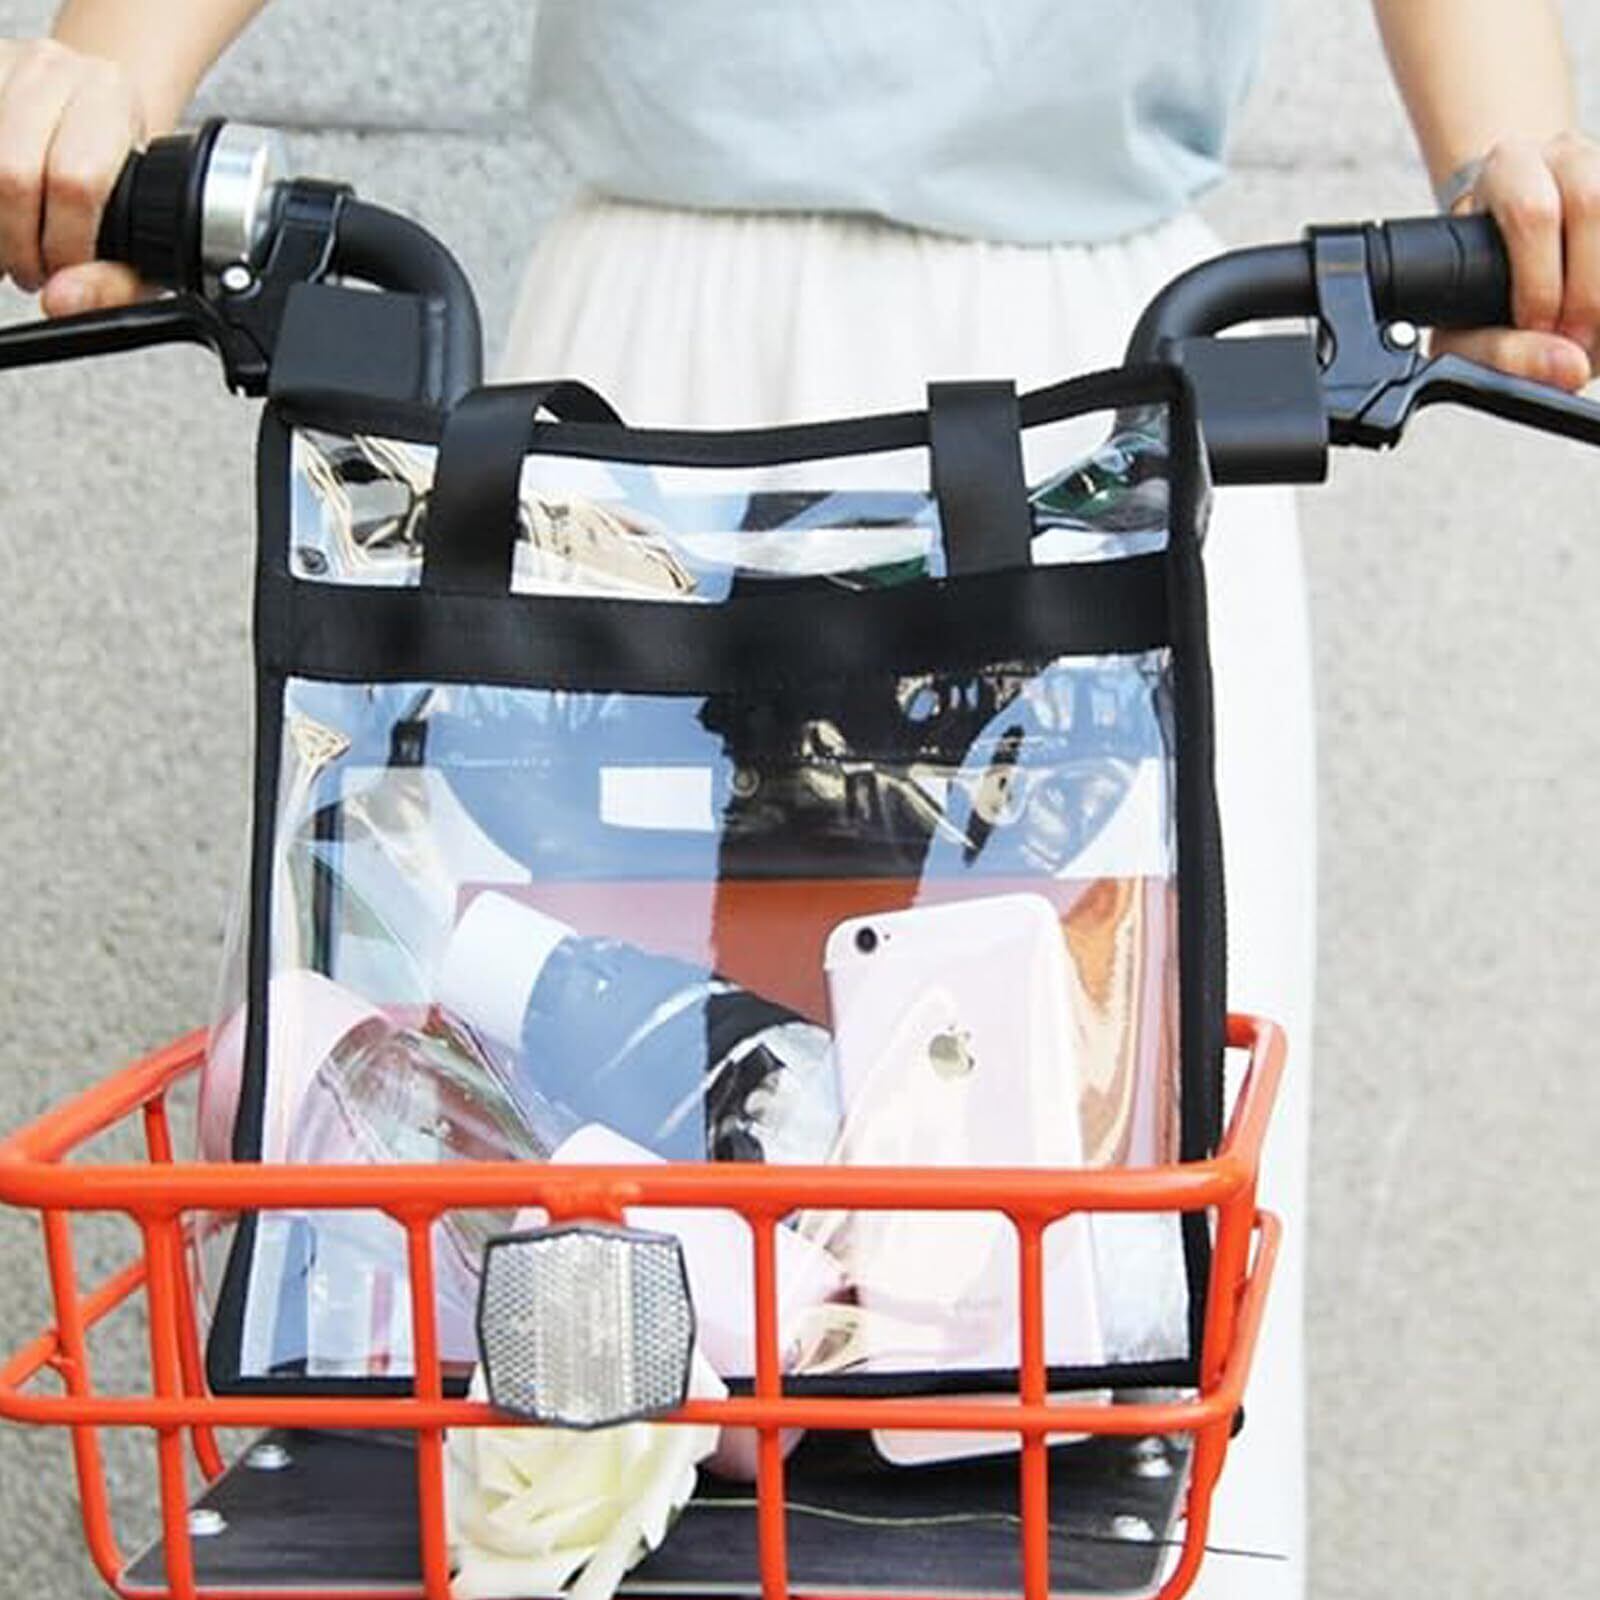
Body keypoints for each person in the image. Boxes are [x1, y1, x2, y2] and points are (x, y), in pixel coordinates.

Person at [0, 4, 1593, 1596]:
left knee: (1096, 1334)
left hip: (1093, 417)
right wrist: (106, 85)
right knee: (520, 1341)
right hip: (643, 385)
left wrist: (1512, 179)